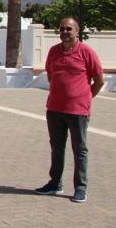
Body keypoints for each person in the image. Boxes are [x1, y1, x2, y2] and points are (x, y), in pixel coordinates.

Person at [35, 17, 104, 203]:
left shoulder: (86, 52)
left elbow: (99, 80)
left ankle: (80, 188)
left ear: (76, 31)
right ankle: (55, 183)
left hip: (78, 111)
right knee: (57, 148)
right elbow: (51, 75)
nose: (65, 32)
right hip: (54, 109)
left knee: (79, 149)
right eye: (62, 29)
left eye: (68, 29)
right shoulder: (54, 51)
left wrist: (86, 96)